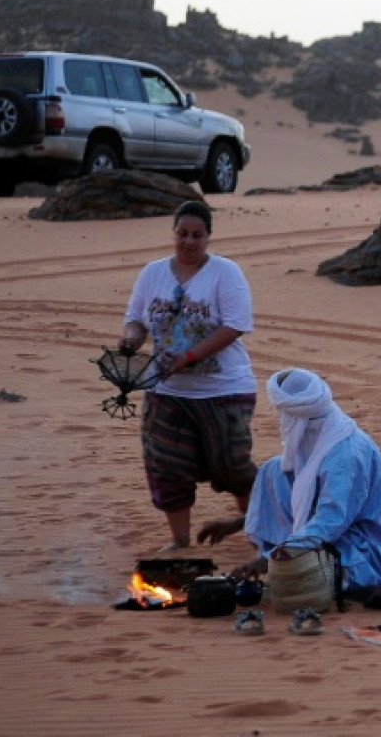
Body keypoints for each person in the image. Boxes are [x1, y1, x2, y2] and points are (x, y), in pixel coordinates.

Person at [197, 368, 381, 601]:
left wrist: (266, 560)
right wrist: (239, 522)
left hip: (366, 552)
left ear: (295, 415)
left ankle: (288, 560)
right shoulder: (318, 439)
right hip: (332, 534)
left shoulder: (345, 455)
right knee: (274, 470)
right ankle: (288, 558)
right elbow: (305, 495)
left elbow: (330, 521)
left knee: (315, 574)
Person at [119, 199, 258, 551]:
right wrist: (132, 339)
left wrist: (190, 356)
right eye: (182, 234)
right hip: (166, 389)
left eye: (197, 235)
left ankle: (262, 534)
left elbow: (236, 325)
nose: (189, 241)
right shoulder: (152, 273)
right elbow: (136, 318)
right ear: (174, 234)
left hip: (223, 388)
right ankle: (180, 541)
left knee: (232, 466)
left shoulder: (226, 273)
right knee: (166, 464)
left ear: (209, 237)